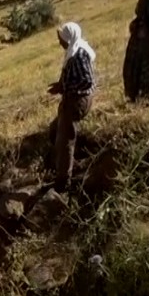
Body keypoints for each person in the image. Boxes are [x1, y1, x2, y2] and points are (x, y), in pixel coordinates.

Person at [47, 22, 97, 192]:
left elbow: (88, 79)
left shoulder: (79, 54)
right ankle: (69, 166)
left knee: (64, 140)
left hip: (78, 100)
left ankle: (63, 182)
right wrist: (60, 86)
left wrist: (67, 88)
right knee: (54, 132)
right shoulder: (73, 51)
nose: (59, 42)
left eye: (61, 39)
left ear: (69, 39)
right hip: (72, 98)